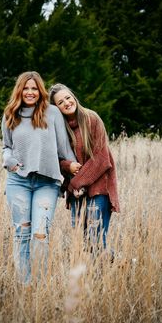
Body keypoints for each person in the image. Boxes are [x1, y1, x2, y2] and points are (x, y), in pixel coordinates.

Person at [1, 72, 76, 285]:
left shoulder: (52, 113)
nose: (30, 92)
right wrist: (9, 160)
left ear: (40, 91)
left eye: (34, 88)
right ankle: (25, 287)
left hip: (47, 183)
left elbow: (64, 149)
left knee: (40, 235)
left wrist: (74, 179)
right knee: (22, 234)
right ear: (19, 90)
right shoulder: (9, 114)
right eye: (26, 88)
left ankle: (39, 286)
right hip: (18, 181)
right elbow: (6, 146)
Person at [49, 83, 120, 255]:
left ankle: (106, 273)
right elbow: (53, 158)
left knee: (96, 240)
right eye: (60, 102)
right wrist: (67, 166)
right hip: (76, 195)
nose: (66, 103)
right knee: (84, 243)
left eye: (68, 97)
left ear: (74, 97)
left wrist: (75, 183)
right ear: (55, 108)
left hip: (97, 189)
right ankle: (108, 268)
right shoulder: (58, 129)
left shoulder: (91, 119)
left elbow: (102, 159)